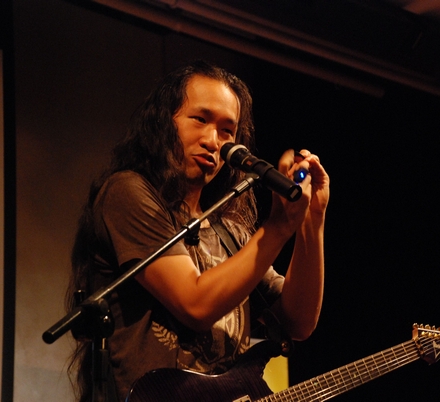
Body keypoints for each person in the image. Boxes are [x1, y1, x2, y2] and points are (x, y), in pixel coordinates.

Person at [66, 60, 329, 402]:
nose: (213, 141)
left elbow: (298, 322)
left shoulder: (230, 231)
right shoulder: (127, 192)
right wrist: (277, 228)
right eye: (200, 120)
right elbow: (195, 304)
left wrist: (311, 220)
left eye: (227, 131)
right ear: (164, 121)